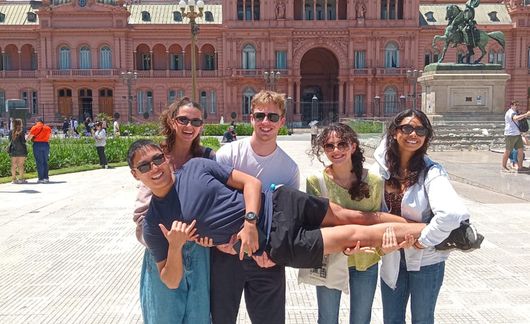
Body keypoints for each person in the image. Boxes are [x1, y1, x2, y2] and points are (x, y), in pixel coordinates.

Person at [128, 140, 427, 287]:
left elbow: (250, 182)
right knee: (354, 234)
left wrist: (249, 221)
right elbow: (170, 279)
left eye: (157, 159)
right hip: (274, 242)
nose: (155, 168)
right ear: (135, 175)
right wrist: (178, 246)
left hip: (280, 201)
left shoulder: (195, 167)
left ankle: (429, 226)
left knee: (355, 216)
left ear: (166, 158)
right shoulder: (154, 223)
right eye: (145, 166)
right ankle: (435, 233)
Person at [306, 123, 414, 324]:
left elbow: (380, 222)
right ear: (323, 149)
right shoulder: (316, 181)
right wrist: (344, 245)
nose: (336, 150)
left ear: (353, 146)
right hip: (330, 260)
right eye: (330, 146)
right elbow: (314, 226)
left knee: (361, 320)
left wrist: (385, 247)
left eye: (342, 144)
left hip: (366, 261)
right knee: (327, 319)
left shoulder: (374, 180)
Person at [372, 109, 470, 324]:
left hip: (426, 261)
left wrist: (425, 239)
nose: (413, 134)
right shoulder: (381, 170)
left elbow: (452, 214)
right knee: (391, 320)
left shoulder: (432, 171)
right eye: (407, 128)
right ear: (395, 132)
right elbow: (373, 214)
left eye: (420, 129)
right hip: (393, 258)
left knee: (423, 319)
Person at [211, 90, 300, 324]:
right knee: (221, 319)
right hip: (227, 253)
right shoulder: (228, 155)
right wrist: (218, 241)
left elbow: (289, 220)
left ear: (282, 121)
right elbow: (211, 203)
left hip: (265, 257)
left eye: (272, 116)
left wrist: (275, 255)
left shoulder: (289, 169)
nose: (265, 122)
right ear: (250, 118)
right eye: (260, 115)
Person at [133, 98, 214, 324]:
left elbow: (218, 205)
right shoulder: (156, 157)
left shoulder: (207, 157)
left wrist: (213, 235)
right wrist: (165, 240)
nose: (189, 126)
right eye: (183, 120)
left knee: (198, 318)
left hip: (199, 253)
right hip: (164, 252)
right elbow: (141, 214)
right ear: (171, 121)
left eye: (196, 121)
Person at [502, 100, 530, 172]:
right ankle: (503, 166)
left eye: (518, 104)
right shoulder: (510, 112)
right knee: (508, 150)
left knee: (520, 150)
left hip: (517, 134)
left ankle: (520, 167)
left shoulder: (516, 112)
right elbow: (515, 118)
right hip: (510, 134)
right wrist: (526, 114)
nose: (517, 106)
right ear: (511, 105)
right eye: (515, 105)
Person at [27, 117, 52, 183]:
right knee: (45, 161)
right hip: (46, 144)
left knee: (39, 161)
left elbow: (29, 138)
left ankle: (40, 178)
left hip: (37, 145)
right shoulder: (48, 128)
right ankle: (46, 178)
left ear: (37, 121)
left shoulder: (34, 127)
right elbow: (50, 138)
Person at [8, 118, 28, 184]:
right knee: (21, 165)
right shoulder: (22, 131)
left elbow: (10, 141)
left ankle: (14, 179)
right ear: (20, 123)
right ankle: (21, 179)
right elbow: (23, 141)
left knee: (13, 165)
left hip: (13, 150)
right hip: (21, 150)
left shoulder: (11, 131)